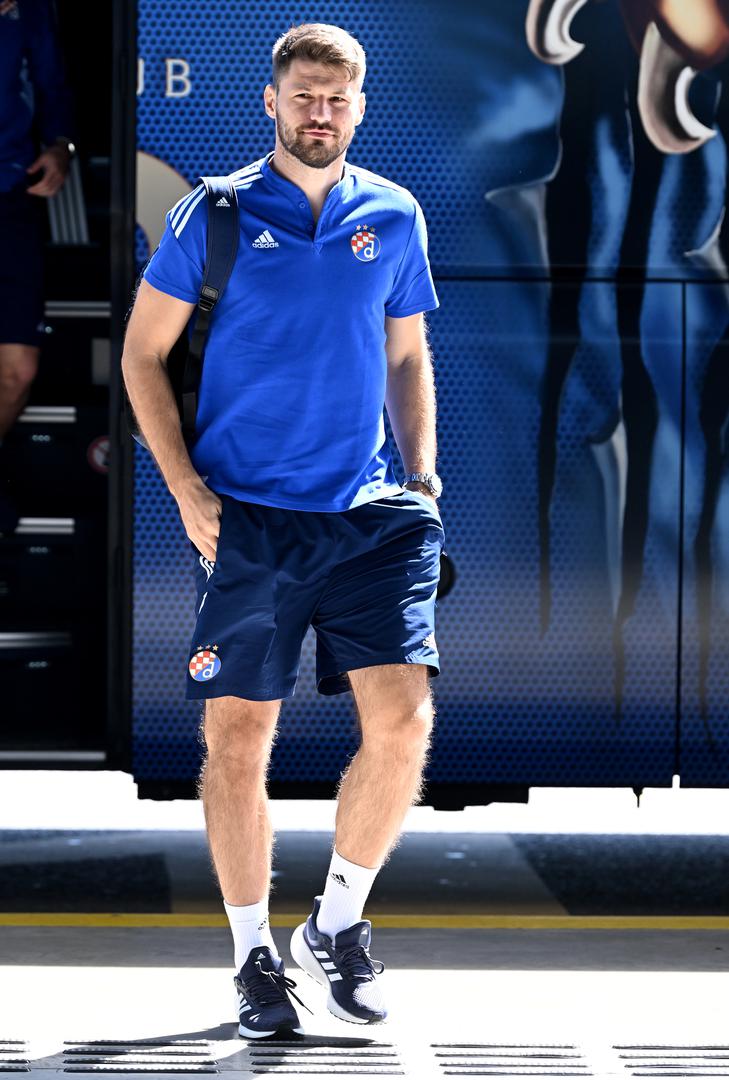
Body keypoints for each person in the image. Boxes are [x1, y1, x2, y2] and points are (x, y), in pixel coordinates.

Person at [122, 22, 444, 1038]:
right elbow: (140, 356)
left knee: (403, 723)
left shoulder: (392, 214)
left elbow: (405, 355)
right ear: (271, 101)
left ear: (359, 107)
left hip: (369, 516)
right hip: (247, 520)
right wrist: (186, 490)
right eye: (304, 96)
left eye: (337, 99)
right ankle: (251, 955)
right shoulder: (212, 215)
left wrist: (421, 479)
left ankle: (336, 925)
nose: (320, 113)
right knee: (238, 740)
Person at [0, 0, 76, 533]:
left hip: (11, 193)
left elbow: (52, 83)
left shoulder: (28, 9)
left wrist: (61, 146)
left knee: (18, 369)